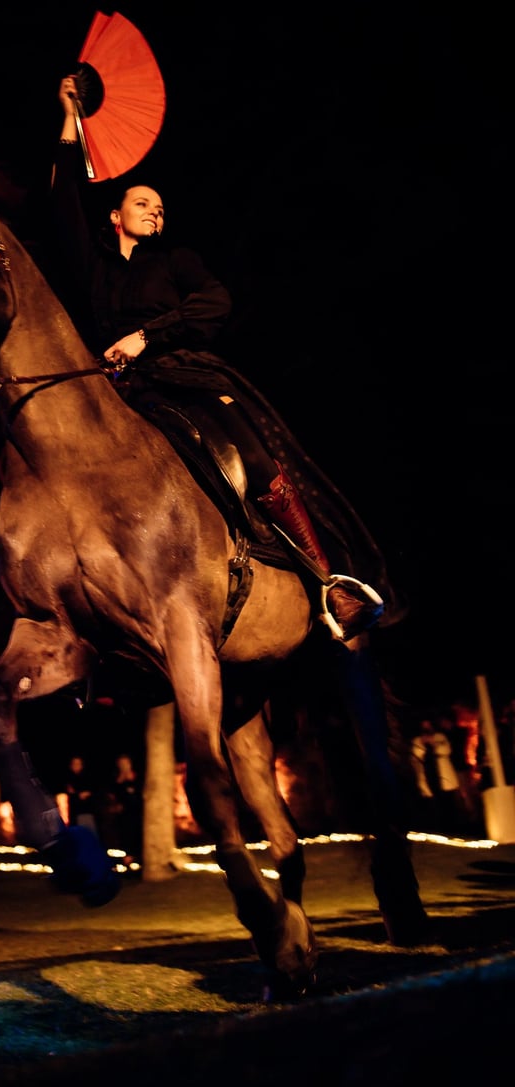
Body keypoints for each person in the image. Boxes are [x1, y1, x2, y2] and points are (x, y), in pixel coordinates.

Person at [49, 74, 397, 643]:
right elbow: (62, 200)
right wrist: (69, 117)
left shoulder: (178, 261)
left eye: (159, 207)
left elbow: (215, 303)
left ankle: (323, 583)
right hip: (118, 391)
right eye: (141, 203)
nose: (154, 212)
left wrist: (146, 335)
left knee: (257, 459)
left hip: (184, 377)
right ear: (115, 217)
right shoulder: (95, 266)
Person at [103, 753, 144, 867]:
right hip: (123, 815)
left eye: (125, 763)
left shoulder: (137, 777)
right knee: (125, 836)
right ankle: (128, 860)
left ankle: (138, 858)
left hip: (137, 813)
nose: (123, 766)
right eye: (121, 764)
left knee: (138, 834)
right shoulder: (116, 779)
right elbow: (111, 794)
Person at [61, 754, 100, 838]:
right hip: (74, 814)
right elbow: (69, 794)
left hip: (88, 813)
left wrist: (82, 794)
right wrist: (78, 794)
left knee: (90, 835)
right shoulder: (67, 779)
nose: (76, 766)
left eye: (78, 764)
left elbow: (94, 792)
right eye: (74, 764)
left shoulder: (88, 778)